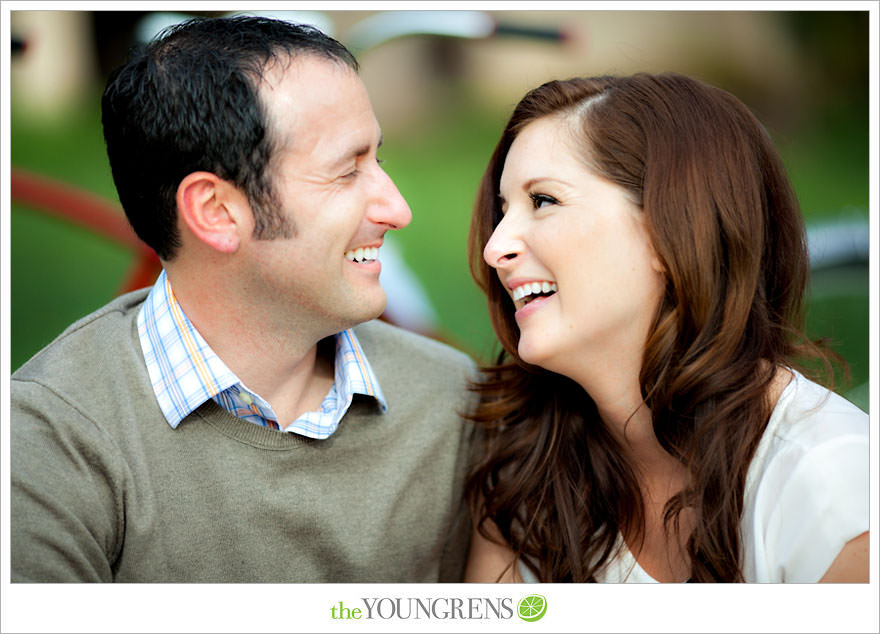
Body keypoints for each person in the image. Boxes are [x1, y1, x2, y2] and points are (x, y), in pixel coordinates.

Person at [11, 16, 477, 583]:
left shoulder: (453, 403)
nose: (396, 209)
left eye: (379, 160)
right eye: (345, 171)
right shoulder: (50, 438)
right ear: (216, 212)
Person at [463, 72, 869, 583]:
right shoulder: (526, 467)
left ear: (671, 227)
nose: (494, 248)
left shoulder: (834, 486)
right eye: (502, 212)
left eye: (543, 200)